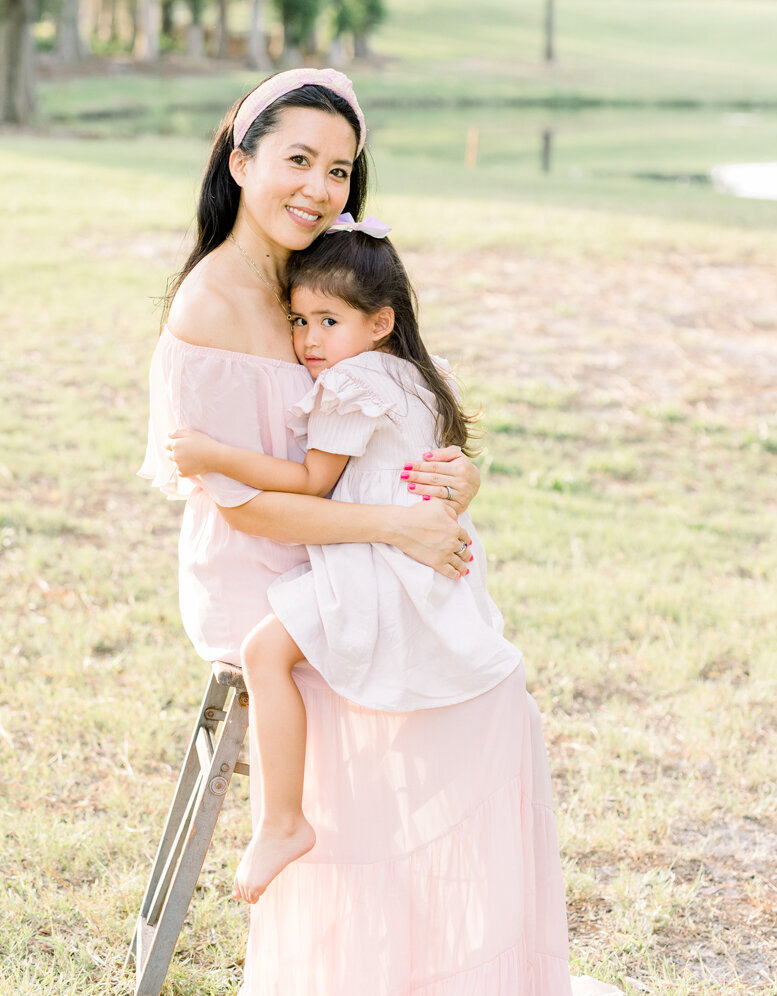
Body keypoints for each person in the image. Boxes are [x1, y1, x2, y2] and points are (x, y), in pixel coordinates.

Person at [139, 68, 621, 996]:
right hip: (262, 570)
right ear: (240, 158)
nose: (317, 184)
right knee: (479, 702)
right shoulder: (213, 301)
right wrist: (399, 526)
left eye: (339, 167)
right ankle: (366, 969)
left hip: (339, 553)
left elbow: (400, 410)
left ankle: (439, 983)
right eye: (296, 158)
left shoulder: (319, 280)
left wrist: (449, 481)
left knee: (498, 697)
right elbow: (252, 506)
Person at [166, 220, 524, 904]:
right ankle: (290, 823)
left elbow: (308, 482)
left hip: (383, 567)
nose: (309, 340)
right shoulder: (417, 377)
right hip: (415, 569)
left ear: (381, 321)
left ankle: (282, 821)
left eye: (328, 320)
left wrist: (213, 454)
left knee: (264, 653)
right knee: (271, 649)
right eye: (300, 320)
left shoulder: (353, 383)